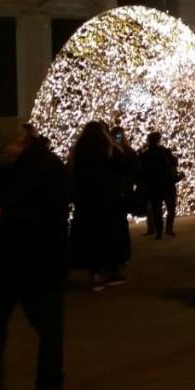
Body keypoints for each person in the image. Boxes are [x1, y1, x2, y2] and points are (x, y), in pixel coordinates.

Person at [0, 124, 71, 390]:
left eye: (2, 151)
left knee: (48, 326)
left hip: (40, 261)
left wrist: (7, 216)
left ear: (20, 142)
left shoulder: (49, 168)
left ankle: (48, 384)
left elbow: (53, 215)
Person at [68, 122, 131, 292]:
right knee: (107, 235)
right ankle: (110, 271)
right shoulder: (107, 148)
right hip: (107, 199)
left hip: (86, 201)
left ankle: (95, 273)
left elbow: (74, 174)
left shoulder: (79, 150)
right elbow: (125, 164)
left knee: (90, 236)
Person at [139, 132, 180, 240]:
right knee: (170, 207)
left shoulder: (145, 155)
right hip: (167, 183)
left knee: (157, 209)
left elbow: (142, 170)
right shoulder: (165, 152)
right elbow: (174, 162)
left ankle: (159, 232)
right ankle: (169, 229)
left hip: (153, 185)